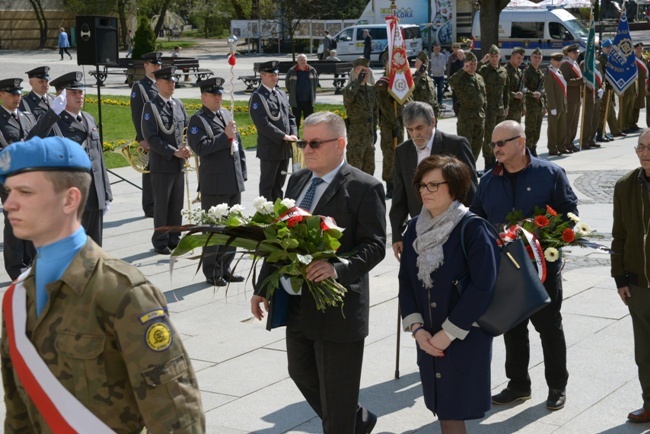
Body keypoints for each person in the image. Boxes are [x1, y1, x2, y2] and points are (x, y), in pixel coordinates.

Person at [0, 136, 205, 433]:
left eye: (25, 192)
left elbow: (176, 416)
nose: (8, 203)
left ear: (69, 199)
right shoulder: (18, 298)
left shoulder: (124, 293)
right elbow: (18, 413)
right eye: (8, 191)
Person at [250, 111, 386, 434]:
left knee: (337, 402)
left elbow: (375, 245)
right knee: (300, 372)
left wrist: (337, 268)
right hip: (298, 305)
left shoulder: (365, 188)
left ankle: (346, 422)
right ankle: (357, 420)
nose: (306, 150)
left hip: (338, 310)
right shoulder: (297, 180)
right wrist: (262, 287)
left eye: (314, 143)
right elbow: (279, 236)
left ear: (339, 145)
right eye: (302, 142)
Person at [471, 120, 578, 412]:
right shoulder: (489, 179)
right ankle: (518, 385)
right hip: (505, 270)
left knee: (549, 327)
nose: (495, 149)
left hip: (542, 268)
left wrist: (548, 240)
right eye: (493, 144)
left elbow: (570, 213)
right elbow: (477, 217)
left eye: (501, 143)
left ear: (521, 141)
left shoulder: (550, 174)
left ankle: (557, 386)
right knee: (512, 328)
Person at [399, 154, 499, 433]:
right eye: (421, 185)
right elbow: (406, 280)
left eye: (433, 185)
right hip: (428, 337)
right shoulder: (413, 229)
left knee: (453, 412)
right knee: (443, 408)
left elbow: (483, 286)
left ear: (454, 187)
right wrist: (418, 330)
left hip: (463, 337)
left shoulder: (473, 228)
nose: (424, 191)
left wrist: (448, 334)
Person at [390, 101, 477, 261]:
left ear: (433, 122)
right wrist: (397, 235)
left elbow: (470, 191)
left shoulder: (455, 145)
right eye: (410, 130)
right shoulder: (402, 152)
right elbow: (399, 197)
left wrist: (472, 231)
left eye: (419, 128)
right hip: (420, 232)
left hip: (454, 229)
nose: (415, 134)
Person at [0, 77, 64, 280]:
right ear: (1, 95)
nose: (17, 97)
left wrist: (52, 115)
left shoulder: (26, 116)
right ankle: (16, 266)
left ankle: (31, 260)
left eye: (19, 93)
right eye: (12, 94)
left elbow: (36, 138)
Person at [187, 77, 247, 286]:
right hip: (214, 184)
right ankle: (212, 271)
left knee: (233, 228)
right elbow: (200, 148)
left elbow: (237, 145)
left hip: (232, 181)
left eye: (220, 94)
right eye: (214, 94)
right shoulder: (198, 121)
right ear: (203, 97)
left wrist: (242, 171)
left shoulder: (225, 114)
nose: (219, 98)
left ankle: (226, 267)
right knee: (214, 230)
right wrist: (224, 136)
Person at [611, 128, 650, 424]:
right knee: (645, 352)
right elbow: (619, 236)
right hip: (638, 286)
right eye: (640, 147)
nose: (645, 153)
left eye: (649, 147)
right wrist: (620, 278)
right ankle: (649, 403)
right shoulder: (625, 185)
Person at [49, 71, 112, 246]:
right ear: (61, 96)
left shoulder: (89, 119)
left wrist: (106, 192)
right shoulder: (54, 123)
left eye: (80, 92)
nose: (79, 96)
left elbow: (99, 158)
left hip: (95, 194)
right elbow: (34, 139)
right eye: (73, 92)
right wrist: (52, 113)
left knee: (95, 248)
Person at [141, 66, 190, 254]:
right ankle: (160, 241)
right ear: (158, 83)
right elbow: (151, 138)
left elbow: (185, 130)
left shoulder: (178, 104)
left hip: (178, 163)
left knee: (176, 204)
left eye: (174, 81)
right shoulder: (151, 107)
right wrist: (173, 151)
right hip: (162, 163)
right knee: (162, 205)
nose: (172, 84)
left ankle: (174, 237)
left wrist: (187, 148)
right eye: (168, 81)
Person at [249, 60, 298, 201]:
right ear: (262, 76)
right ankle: (266, 216)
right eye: (271, 75)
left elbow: (290, 116)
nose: (275, 78)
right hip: (270, 148)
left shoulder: (281, 94)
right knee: (267, 185)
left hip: (284, 147)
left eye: (276, 75)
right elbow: (262, 124)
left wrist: (293, 133)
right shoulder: (258, 97)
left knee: (279, 185)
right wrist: (283, 136)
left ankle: (278, 213)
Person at [131, 51, 163, 218]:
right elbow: (137, 113)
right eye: (154, 64)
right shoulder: (140, 87)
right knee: (149, 172)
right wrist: (142, 138)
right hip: (148, 137)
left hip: (163, 137)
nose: (157, 67)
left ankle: (160, 202)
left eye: (159, 65)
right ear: (146, 66)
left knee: (161, 171)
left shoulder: (161, 84)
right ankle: (150, 206)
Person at [449, 51, 486, 164]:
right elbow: (451, 82)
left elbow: (484, 96)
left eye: (475, 64)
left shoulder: (479, 78)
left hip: (479, 116)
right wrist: (462, 70)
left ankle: (472, 166)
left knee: (477, 143)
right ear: (466, 64)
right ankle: (464, 168)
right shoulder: (461, 77)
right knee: (465, 145)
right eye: (470, 64)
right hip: (466, 117)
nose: (473, 66)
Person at [343, 57, 378, 176]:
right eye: (363, 70)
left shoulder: (371, 89)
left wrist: (374, 129)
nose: (366, 73)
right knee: (355, 166)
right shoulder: (350, 89)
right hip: (356, 135)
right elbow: (348, 98)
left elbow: (375, 111)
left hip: (369, 134)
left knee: (369, 166)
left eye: (367, 71)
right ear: (356, 71)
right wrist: (358, 81)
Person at [375, 68, 406, 199]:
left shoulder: (400, 81)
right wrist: (394, 123)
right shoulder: (383, 84)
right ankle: (390, 184)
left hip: (400, 123)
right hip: (389, 126)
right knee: (389, 155)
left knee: (400, 154)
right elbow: (385, 107)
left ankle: (399, 182)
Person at [478, 45, 509, 171]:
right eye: (492, 56)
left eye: (496, 56)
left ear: (499, 57)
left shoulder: (504, 71)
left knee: (500, 137)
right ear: (488, 56)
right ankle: (488, 161)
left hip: (500, 108)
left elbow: (506, 90)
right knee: (489, 136)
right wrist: (482, 62)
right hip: (488, 108)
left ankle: (498, 160)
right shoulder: (484, 70)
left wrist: (507, 106)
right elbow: (472, 74)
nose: (494, 58)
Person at [597, 39, 626, 141]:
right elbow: (602, 75)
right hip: (604, 88)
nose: (610, 49)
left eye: (610, 47)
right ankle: (600, 133)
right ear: (603, 48)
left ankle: (615, 131)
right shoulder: (600, 59)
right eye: (608, 47)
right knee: (603, 112)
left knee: (610, 111)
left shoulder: (610, 59)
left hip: (610, 88)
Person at [285, 54, 319, 130]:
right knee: (295, 122)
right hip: (296, 102)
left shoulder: (312, 70)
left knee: (309, 122)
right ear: (297, 61)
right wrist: (292, 93)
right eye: (301, 60)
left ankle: (308, 138)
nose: (303, 61)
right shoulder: (292, 71)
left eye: (304, 60)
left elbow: (316, 83)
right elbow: (288, 84)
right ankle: (295, 138)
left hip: (309, 101)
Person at [559, 44, 583, 153]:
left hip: (577, 97)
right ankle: (566, 143)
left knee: (574, 122)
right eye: (574, 52)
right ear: (568, 53)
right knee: (568, 122)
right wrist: (580, 81)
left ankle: (571, 142)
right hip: (570, 97)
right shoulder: (566, 64)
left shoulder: (575, 63)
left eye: (577, 52)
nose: (576, 54)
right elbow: (566, 81)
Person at [523, 48, 546, 157]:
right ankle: (528, 150)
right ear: (531, 57)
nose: (537, 59)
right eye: (535, 57)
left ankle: (534, 148)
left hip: (539, 105)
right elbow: (523, 88)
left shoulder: (540, 72)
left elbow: (543, 90)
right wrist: (532, 94)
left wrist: (544, 104)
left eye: (539, 57)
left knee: (537, 129)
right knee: (530, 129)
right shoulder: (527, 72)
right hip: (530, 105)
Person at [545, 52, 569, 156]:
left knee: (562, 128)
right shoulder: (550, 73)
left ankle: (561, 146)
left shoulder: (559, 72)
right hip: (555, 106)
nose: (558, 62)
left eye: (560, 60)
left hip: (562, 105)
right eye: (556, 60)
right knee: (553, 128)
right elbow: (549, 91)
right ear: (552, 61)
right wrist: (552, 107)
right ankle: (552, 148)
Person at [412, 50, 440, 118]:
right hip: (418, 115)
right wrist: (419, 73)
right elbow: (410, 88)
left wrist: (436, 113)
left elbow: (434, 98)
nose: (426, 65)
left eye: (426, 63)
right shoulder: (413, 79)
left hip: (430, 115)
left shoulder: (430, 80)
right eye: (416, 63)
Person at [505, 47, 526, 123]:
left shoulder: (519, 71)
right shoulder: (505, 71)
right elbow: (501, 90)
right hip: (508, 110)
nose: (520, 60)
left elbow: (522, 89)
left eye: (522, 58)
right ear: (512, 57)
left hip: (517, 109)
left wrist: (523, 106)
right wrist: (514, 95)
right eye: (518, 58)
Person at [631, 43, 648, 132]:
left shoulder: (645, 59)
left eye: (640, 48)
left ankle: (635, 123)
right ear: (635, 49)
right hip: (635, 83)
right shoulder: (632, 59)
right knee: (633, 104)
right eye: (637, 48)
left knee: (639, 104)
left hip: (642, 84)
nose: (639, 49)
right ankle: (630, 123)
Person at [447, 47, 465, 116]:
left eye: (461, 54)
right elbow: (451, 74)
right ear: (457, 55)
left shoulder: (466, 63)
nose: (460, 56)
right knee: (455, 99)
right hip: (456, 84)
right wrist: (451, 84)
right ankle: (456, 111)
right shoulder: (454, 63)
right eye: (459, 54)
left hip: (464, 85)